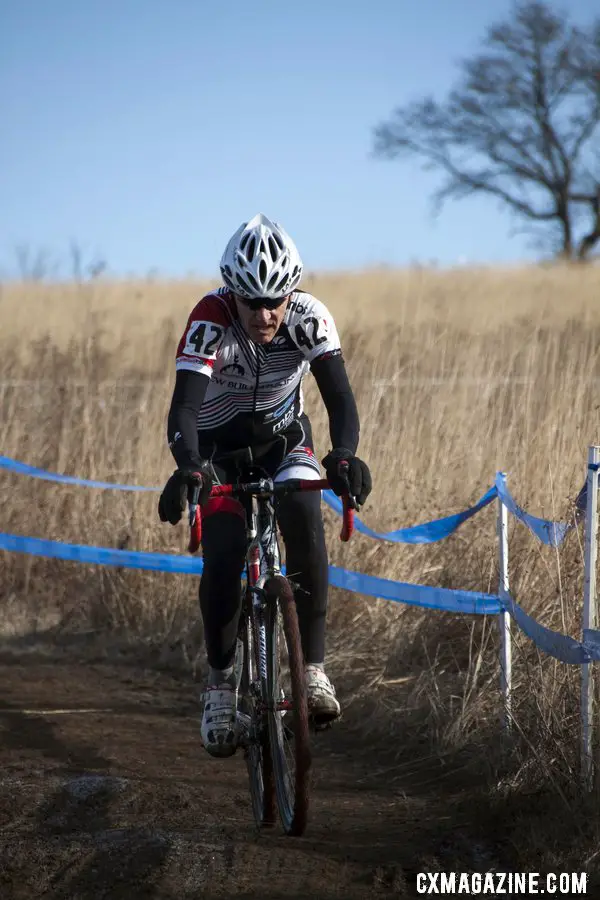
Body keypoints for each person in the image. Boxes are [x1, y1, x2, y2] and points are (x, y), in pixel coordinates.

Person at [158, 213, 372, 757]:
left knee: (303, 512)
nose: (265, 313)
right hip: (218, 456)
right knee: (225, 553)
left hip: (283, 444)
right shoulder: (210, 318)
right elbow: (183, 406)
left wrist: (344, 455)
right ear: (233, 293)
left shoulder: (308, 317)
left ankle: (314, 670)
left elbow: (340, 398)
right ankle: (221, 683)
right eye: (252, 301)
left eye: (276, 299)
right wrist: (189, 466)